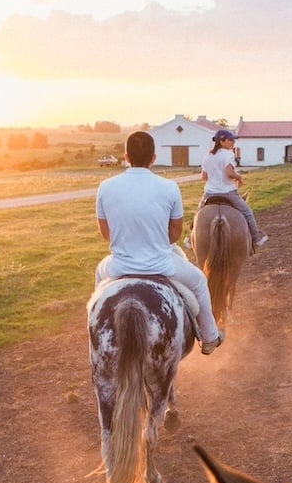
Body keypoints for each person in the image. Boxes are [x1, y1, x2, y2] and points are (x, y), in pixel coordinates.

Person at [95, 131, 224, 355]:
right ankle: (210, 336)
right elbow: (175, 233)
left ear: (126, 157)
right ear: (153, 158)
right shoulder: (169, 187)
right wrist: (153, 238)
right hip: (161, 264)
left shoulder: (105, 187)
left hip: (119, 265)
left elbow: (106, 234)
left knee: (98, 280)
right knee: (200, 282)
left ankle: (95, 332)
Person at [199, 129, 269, 248]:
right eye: (231, 140)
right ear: (221, 141)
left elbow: (204, 177)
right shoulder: (229, 154)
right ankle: (257, 239)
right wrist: (239, 177)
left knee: (198, 215)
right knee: (248, 213)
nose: (233, 142)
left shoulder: (208, 155)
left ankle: (190, 239)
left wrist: (215, 179)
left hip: (210, 193)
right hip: (228, 192)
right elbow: (229, 173)